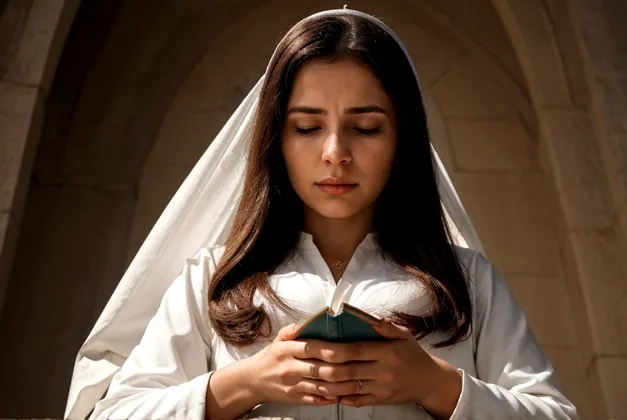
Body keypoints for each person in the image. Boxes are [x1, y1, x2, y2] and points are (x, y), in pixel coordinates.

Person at [73, 9, 577, 420]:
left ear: (402, 139)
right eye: (308, 127)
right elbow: (114, 414)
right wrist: (244, 383)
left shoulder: (468, 282)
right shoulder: (214, 279)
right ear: (276, 139)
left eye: (366, 127)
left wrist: (436, 384)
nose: (335, 152)